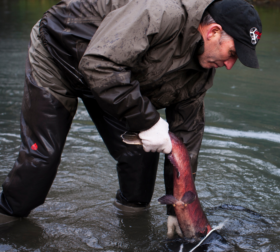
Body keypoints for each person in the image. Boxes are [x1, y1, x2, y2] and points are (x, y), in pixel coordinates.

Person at [0, 0, 262, 238]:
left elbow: (186, 142)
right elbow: (100, 64)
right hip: (60, 54)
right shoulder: (163, 13)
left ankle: (131, 233)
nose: (230, 65)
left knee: (139, 162)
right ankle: (6, 219)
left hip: (113, 82)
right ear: (213, 32)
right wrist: (149, 122)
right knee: (41, 160)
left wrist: (177, 210)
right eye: (232, 53)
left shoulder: (200, 75)